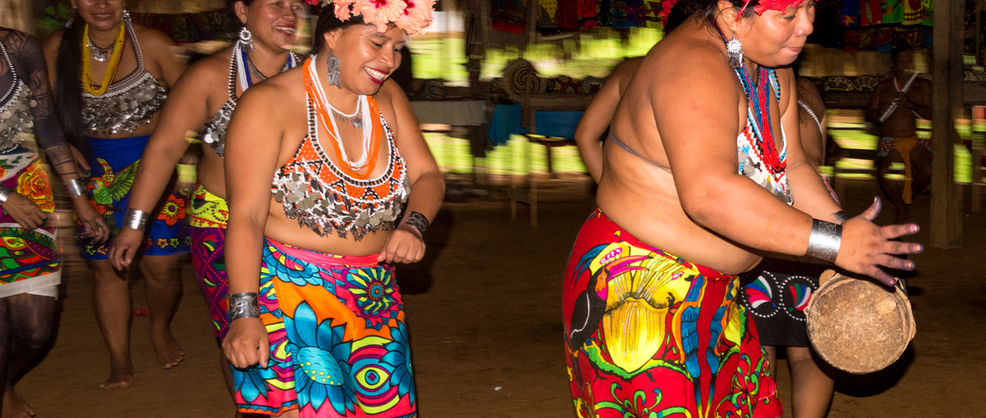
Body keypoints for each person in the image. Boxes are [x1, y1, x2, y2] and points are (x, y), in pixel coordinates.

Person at [561, 0, 923, 417]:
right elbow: (709, 193)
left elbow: (792, 167)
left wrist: (849, 233)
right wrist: (832, 243)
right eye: (788, 15)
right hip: (641, 297)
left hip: (721, 293)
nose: (806, 26)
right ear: (732, 12)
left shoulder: (772, 71)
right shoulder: (692, 65)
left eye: (810, 8)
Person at [221, 1, 444, 416]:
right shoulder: (267, 105)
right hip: (291, 299)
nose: (389, 61)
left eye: (397, 48)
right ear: (333, 35)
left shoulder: (387, 99)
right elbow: (247, 217)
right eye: (377, 43)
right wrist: (244, 312)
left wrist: (413, 225)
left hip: (374, 295)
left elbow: (428, 177)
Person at [104, 0, 304, 408]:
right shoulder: (210, 77)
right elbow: (162, 151)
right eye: (276, 3)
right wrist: (135, 224)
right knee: (245, 332)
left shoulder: (314, 77)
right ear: (243, 11)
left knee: (302, 334)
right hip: (221, 226)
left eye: (297, 4)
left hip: (297, 228)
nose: (289, 13)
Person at [43, 0, 188, 389]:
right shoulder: (58, 47)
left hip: (154, 170)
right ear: (73, 2)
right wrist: (64, 148)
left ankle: (160, 328)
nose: (101, 4)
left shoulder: (154, 44)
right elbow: (44, 115)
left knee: (161, 267)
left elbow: (195, 107)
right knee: (105, 267)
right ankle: (119, 358)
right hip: (96, 174)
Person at [0, 26, 109, 417]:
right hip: (10, 197)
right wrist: (3, 197)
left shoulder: (19, 48)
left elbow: (46, 128)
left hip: (28, 191)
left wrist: (80, 202)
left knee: (34, 330)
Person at [739, 78, 836, 418]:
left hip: (763, 211)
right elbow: (818, 157)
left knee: (759, 339)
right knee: (809, 346)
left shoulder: (743, 83)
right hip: (814, 212)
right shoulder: (810, 94)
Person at [866, 48, 932, 223]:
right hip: (889, 141)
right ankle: (902, 206)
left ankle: (902, 202)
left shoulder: (922, 86)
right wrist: (877, 112)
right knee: (883, 172)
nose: (905, 64)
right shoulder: (883, 87)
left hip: (913, 139)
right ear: (893, 65)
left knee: (928, 171)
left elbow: (935, 114)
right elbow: (870, 115)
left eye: (908, 61)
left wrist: (913, 106)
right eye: (901, 60)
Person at [574, 57, 641, 182]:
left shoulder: (627, 69)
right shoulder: (677, 72)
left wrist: (606, 185)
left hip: (622, 188)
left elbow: (584, 135)